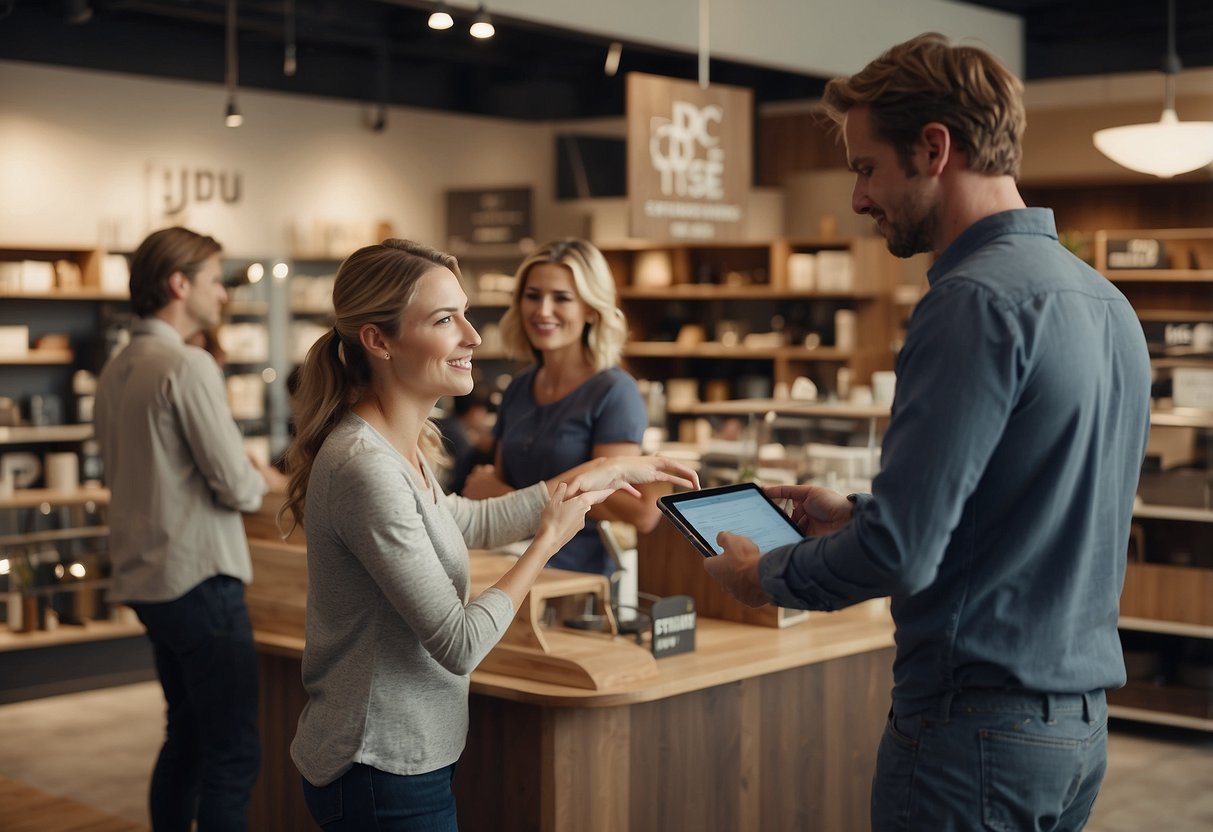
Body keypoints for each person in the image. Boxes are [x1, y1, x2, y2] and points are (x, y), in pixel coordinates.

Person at [702, 33, 1151, 831]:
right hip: (1074, 733)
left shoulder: (970, 301)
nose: (858, 200)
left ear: (934, 148)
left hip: (970, 731)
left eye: (865, 168)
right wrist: (855, 514)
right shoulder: (1103, 302)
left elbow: (902, 553)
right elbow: (1017, 511)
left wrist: (762, 576)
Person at [279, 238, 697, 832]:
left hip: (401, 758)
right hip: (379, 763)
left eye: (466, 314)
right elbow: (458, 643)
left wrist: (600, 474)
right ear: (379, 340)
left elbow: (472, 520)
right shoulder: (365, 466)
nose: (474, 336)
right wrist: (547, 542)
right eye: (446, 319)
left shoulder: (396, 448)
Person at [95, 226, 284, 832]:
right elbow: (237, 484)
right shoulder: (187, 364)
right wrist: (258, 474)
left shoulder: (118, 367)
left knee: (186, 739)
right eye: (214, 280)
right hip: (202, 579)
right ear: (180, 284)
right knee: (232, 754)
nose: (223, 295)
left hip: (150, 582)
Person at [461, 238, 657, 575]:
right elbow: (496, 483)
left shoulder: (614, 392)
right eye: (532, 296)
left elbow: (639, 511)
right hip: (505, 563)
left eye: (562, 298)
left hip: (573, 579)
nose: (542, 311)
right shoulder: (519, 387)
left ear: (592, 310)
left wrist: (508, 496)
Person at [436, 390, 494, 493]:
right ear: (474, 411)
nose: (484, 417)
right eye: (483, 411)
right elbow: (460, 478)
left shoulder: (448, 424)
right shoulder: (459, 437)